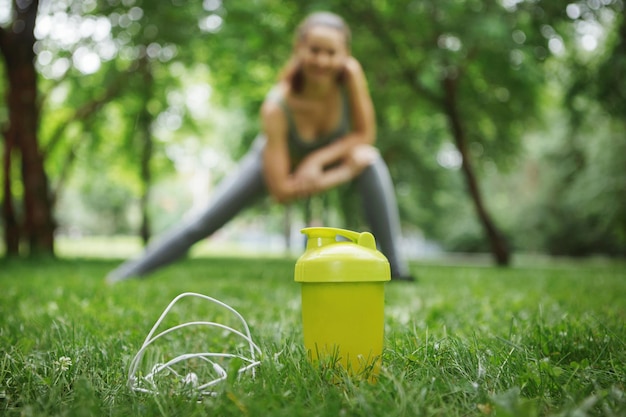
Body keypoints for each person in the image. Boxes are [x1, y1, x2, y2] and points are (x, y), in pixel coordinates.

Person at [106, 11, 414, 283]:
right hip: (273, 161)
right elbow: (281, 191)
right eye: (314, 50)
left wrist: (318, 161)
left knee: (370, 161)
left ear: (345, 54)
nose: (322, 60)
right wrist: (345, 169)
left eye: (331, 52)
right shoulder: (276, 106)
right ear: (299, 50)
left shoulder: (351, 76)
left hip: (326, 159)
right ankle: (125, 276)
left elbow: (364, 134)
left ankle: (396, 269)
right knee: (203, 222)